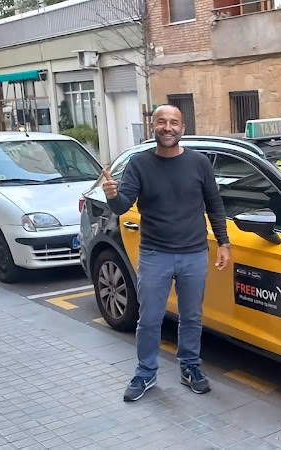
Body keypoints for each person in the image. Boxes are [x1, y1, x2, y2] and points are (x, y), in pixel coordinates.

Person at [101, 105, 231, 401]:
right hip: (154, 254)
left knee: (192, 316)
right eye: (162, 122)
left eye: (174, 122)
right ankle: (146, 372)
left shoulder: (199, 163)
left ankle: (190, 366)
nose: (168, 127)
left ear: (182, 128)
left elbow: (215, 205)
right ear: (153, 127)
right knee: (149, 318)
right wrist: (112, 195)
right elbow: (122, 206)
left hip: (194, 253)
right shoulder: (139, 164)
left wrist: (223, 243)